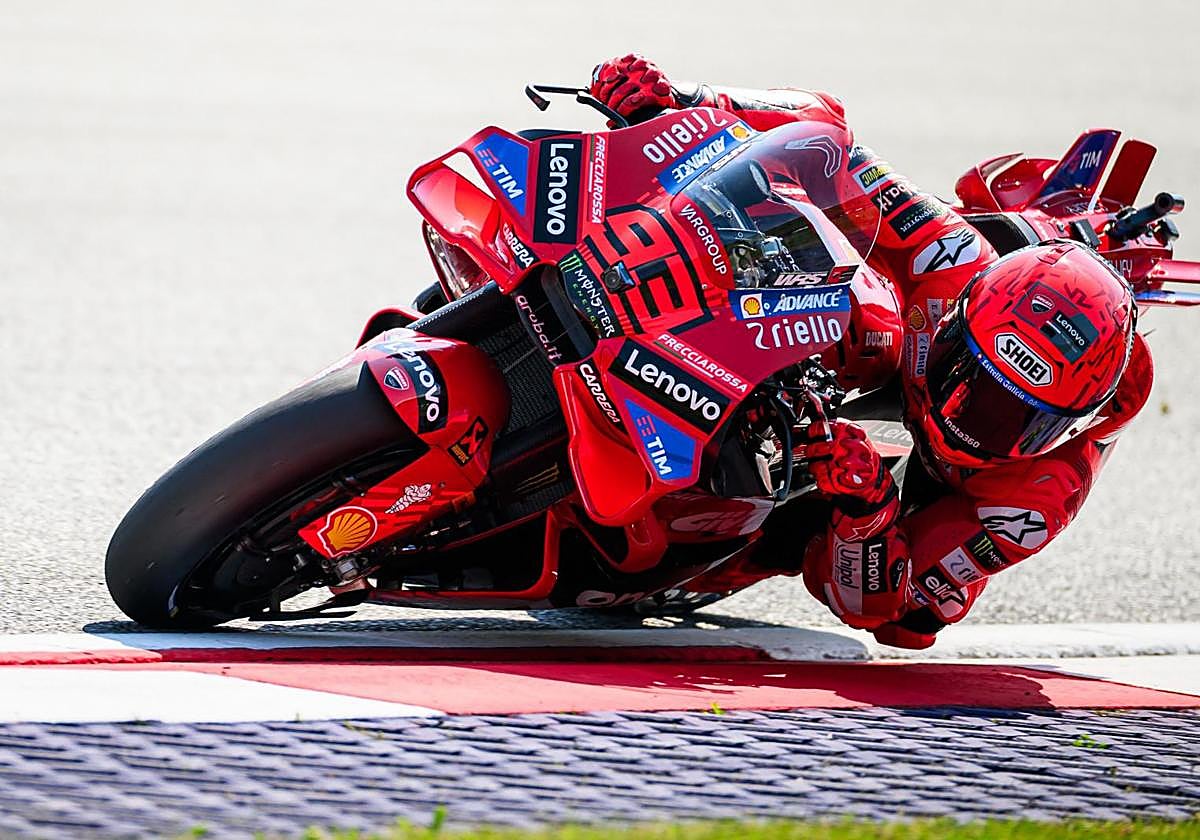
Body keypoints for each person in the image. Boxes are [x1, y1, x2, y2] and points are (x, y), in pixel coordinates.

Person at [589, 54, 1153, 648]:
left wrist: (867, 515)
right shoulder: (952, 260)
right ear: (958, 318)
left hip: (899, 499)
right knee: (853, 310)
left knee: (897, 613)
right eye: (967, 376)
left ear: (1061, 432)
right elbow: (830, 143)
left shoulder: (1034, 497)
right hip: (882, 339)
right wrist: (680, 103)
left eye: (1008, 417)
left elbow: (888, 613)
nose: (961, 416)